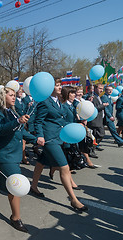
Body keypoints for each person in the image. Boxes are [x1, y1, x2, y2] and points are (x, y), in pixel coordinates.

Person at [30, 78, 88, 213]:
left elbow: (60, 121)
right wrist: (40, 135)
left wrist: (74, 126)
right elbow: (38, 121)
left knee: (41, 162)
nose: (59, 87)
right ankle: (73, 199)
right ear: (49, 88)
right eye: (56, 85)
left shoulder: (59, 102)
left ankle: (33, 186)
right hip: (49, 139)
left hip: (58, 137)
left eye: (60, 85)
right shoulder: (45, 102)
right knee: (64, 167)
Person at [0, 87, 38, 233]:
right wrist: (17, 122)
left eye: (15, 95)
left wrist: (36, 140)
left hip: (14, 155)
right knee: (16, 185)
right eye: (11, 95)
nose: (14, 97)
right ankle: (15, 217)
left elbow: (21, 132)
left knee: (0, 181)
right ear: (3, 96)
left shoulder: (13, 112)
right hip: (5, 155)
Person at [87, 84, 109, 151]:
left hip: (100, 119)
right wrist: (103, 106)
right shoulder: (92, 97)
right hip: (95, 120)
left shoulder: (99, 97)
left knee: (97, 135)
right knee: (100, 134)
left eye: (102, 89)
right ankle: (91, 148)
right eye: (100, 88)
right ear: (95, 89)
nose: (101, 90)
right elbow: (93, 109)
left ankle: (93, 147)